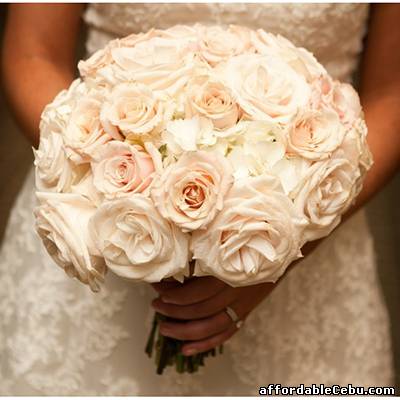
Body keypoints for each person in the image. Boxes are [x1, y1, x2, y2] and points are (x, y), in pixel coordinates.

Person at [1, 3, 399, 395]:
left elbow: (392, 94)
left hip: (315, 246)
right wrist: (115, 187)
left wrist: (277, 242)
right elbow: (31, 52)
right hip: (106, 223)